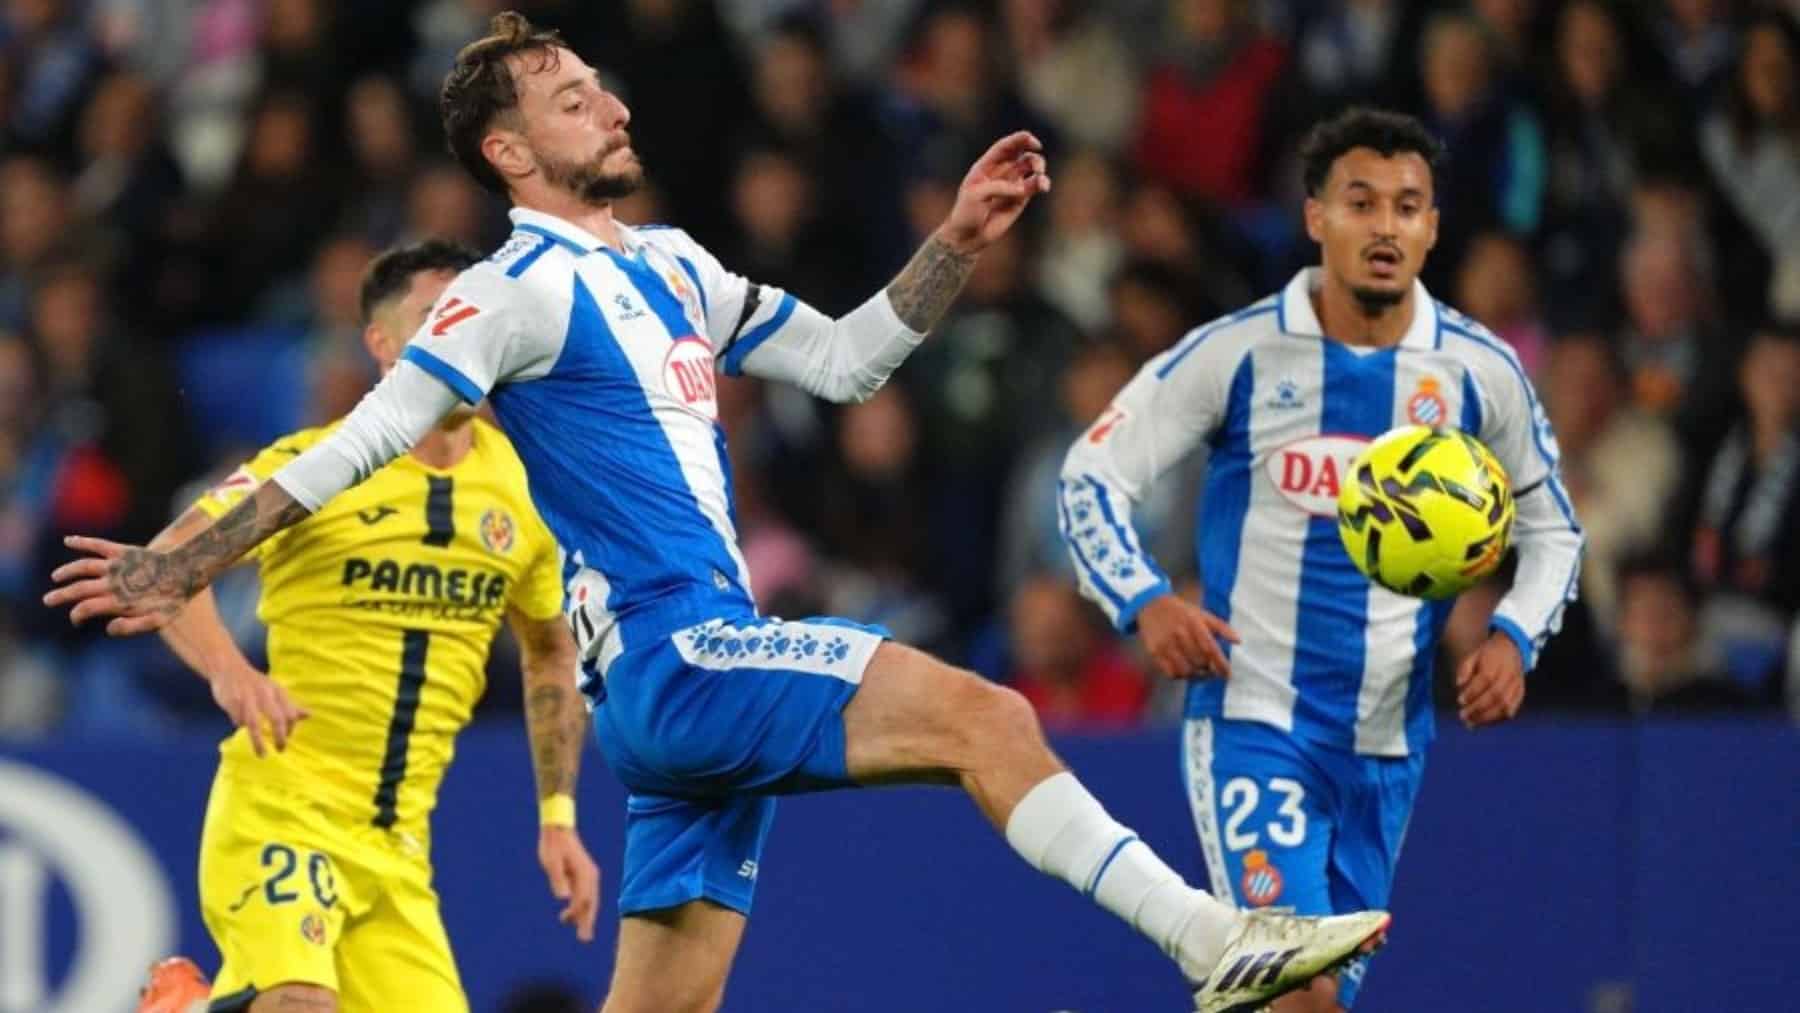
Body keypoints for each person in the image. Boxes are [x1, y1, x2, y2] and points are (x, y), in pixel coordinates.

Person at [50, 14, 1387, 1013]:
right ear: (510, 152)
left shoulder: (676, 265)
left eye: (601, 84)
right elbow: (364, 439)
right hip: (678, 654)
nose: (611, 105)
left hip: (684, 684)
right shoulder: (509, 293)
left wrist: (956, 243)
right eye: (573, 99)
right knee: (987, 717)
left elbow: (848, 362)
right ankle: (1214, 941)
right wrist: (182, 562)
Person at [1059, 107, 1584, 1012]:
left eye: (1407, 206)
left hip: (1387, 744)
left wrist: (1513, 636)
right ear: (1315, 217)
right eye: (1360, 202)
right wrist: (1144, 599)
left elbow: (1555, 529)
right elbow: (1090, 474)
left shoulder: (1478, 370)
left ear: (1431, 228)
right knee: (1299, 994)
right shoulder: (1238, 354)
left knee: (1306, 1004)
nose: (1384, 226)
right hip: (1253, 720)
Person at [132, 239, 600, 1013]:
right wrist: (230, 671)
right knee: (301, 1003)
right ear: (383, 345)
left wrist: (559, 815)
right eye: (438, 317)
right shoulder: (316, 467)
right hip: (285, 806)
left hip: (398, 848)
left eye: (477, 318)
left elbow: (551, 648)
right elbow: (167, 562)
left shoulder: (524, 488)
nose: (464, 337)